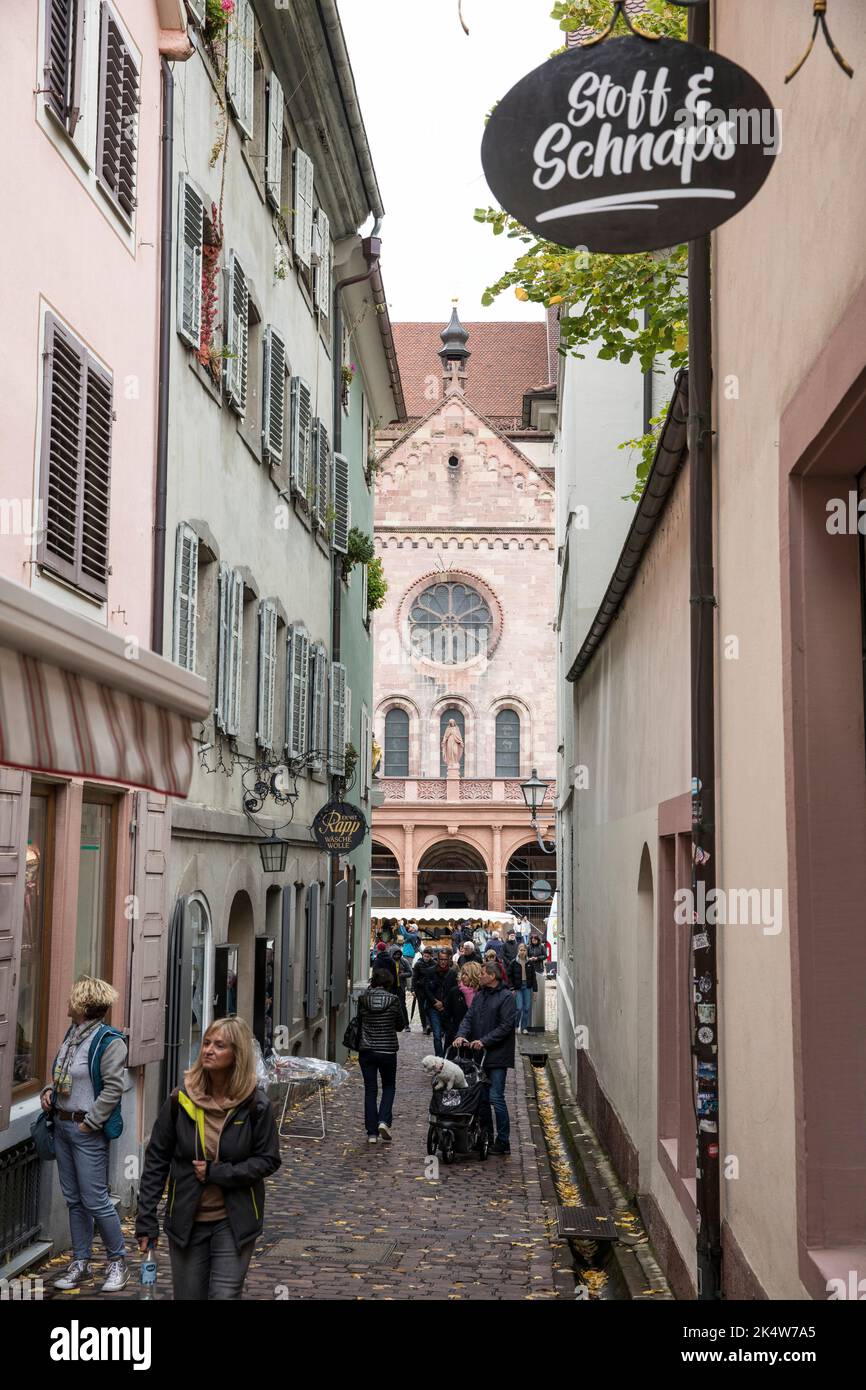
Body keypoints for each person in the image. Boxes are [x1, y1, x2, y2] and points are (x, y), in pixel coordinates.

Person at [136, 1016, 280, 1300]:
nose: (208, 1050)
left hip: (234, 1220)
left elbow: (268, 1159)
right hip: (187, 1221)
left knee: (225, 1295)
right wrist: (146, 1218)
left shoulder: (255, 1105)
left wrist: (219, 1174)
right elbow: (157, 1159)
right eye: (206, 1043)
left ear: (236, 1055)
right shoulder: (180, 1100)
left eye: (219, 1045)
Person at [42, 977, 129, 1292]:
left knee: (95, 1200)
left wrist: (90, 1122)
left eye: (71, 999)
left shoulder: (109, 1041)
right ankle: (80, 1262)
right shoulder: (73, 1035)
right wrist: (50, 1091)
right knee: (74, 1200)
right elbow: (65, 1075)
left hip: (85, 1130)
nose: (66, 1002)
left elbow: (113, 1088)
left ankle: (117, 1260)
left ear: (82, 1005)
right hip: (63, 1125)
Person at [454, 959, 517, 1155]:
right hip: (479, 1056)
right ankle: (486, 1136)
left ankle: (503, 1140)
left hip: (498, 1055)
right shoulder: (480, 996)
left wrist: (484, 1041)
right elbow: (469, 1018)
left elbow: (506, 1026)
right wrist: (461, 1035)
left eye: (482, 973)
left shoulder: (506, 997)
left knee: (496, 1097)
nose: (479, 976)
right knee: (480, 1098)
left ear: (492, 976)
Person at [357, 967, 409, 1143]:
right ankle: (383, 1120)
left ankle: (372, 1133)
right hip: (387, 1050)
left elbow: (359, 1021)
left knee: (370, 1089)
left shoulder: (363, 999)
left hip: (367, 1050)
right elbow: (400, 1025)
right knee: (388, 1086)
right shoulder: (393, 1000)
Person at [422, 948, 457, 1057]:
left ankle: (446, 1057)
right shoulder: (430, 971)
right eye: (441, 959)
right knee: (437, 1035)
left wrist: (444, 1003)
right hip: (433, 1007)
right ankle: (439, 1057)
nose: (443, 962)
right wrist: (435, 1002)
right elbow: (426, 989)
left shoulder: (452, 973)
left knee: (449, 1035)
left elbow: (453, 991)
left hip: (447, 1008)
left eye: (445, 959)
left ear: (449, 960)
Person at [443, 962, 482, 1051]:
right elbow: (446, 1015)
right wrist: (452, 1031)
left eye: (466, 974)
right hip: (456, 1037)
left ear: (474, 975)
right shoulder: (455, 992)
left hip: (476, 1040)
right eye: (462, 973)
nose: (463, 976)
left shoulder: (482, 993)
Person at [508, 943, 537, 1033]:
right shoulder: (514, 962)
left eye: (524, 950)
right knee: (519, 1008)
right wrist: (512, 988)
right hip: (518, 987)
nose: (522, 952)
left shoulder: (530, 962)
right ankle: (516, 1025)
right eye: (521, 950)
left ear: (526, 951)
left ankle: (524, 1027)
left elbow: (533, 977)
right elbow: (509, 976)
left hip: (527, 987)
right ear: (518, 951)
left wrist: (535, 990)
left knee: (527, 1008)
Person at [412, 947, 434, 1032]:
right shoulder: (418, 964)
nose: (426, 958)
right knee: (421, 1008)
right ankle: (424, 1026)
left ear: (430, 956)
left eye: (428, 956)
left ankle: (429, 1024)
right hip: (420, 989)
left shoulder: (434, 964)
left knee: (429, 1007)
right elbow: (414, 977)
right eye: (425, 956)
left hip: (430, 989)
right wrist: (413, 989)